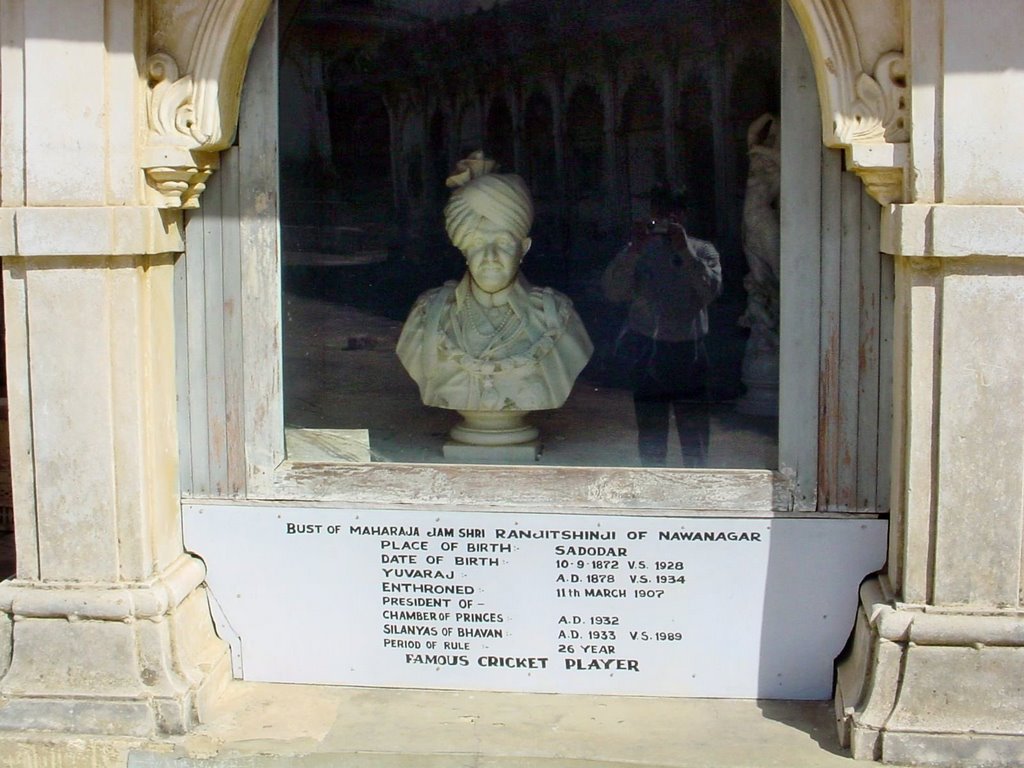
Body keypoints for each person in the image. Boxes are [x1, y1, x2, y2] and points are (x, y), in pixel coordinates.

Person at [397, 152, 592, 418]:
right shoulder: (428, 315)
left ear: (523, 248)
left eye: (502, 243)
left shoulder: (557, 317)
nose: (490, 258)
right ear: (464, 250)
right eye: (477, 244)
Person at [602, 184, 722, 467]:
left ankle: (697, 493)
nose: (667, 221)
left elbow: (711, 293)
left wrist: (685, 252)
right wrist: (634, 249)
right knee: (651, 436)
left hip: (689, 350)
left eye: (673, 213)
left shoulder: (703, 251)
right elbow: (613, 292)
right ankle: (654, 491)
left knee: (696, 440)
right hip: (647, 347)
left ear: (684, 214)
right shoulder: (639, 251)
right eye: (660, 214)